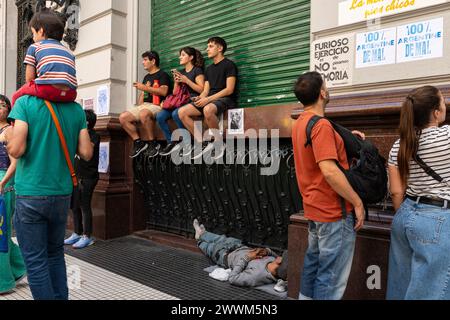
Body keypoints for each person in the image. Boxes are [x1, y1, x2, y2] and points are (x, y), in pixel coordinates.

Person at [5, 94, 93, 300]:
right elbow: (87, 152)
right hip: (61, 194)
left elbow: (17, 150)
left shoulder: (25, 103)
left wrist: (9, 139)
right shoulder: (75, 109)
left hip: (31, 193)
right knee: (55, 254)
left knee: (36, 261)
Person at [291, 71, 365, 300]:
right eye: (326, 85)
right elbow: (330, 171)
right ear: (322, 93)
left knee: (313, 266)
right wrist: (357, 202)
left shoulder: (301, 122)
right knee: (331, 277)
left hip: (314, 209)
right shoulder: (321, 126)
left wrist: (343, 138)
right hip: (334, 212)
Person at [387, 86, 450, 300]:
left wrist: (406, 216)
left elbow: (396, 192)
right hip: (438, 219)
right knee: (431, 291)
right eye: (443, 101)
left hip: (404, 216)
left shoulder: (399, 145)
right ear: (436, 112)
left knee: (400, 286)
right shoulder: (448, 136)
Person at [178, 37, 238, 160]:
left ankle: (219, 143)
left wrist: (208, 99)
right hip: (210, 99)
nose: (207, 49)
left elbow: (229, 89)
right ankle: (202, 143)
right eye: (207, 46)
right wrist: (200, 98)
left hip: (225, 99)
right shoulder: (209, 69)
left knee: (207, 109)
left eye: (211, 46)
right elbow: (206, 89)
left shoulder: (229, 65)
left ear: (220, 48)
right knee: (182, 112)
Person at [11, 9, 77, 108]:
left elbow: (29, 79)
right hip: (70, 94)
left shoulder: (35, 47)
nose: (33, 38)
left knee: (15, 97)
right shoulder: (68, 51)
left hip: (48, 90)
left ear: (41, 31)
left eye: (33, 33)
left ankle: (13, 122)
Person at [193, 219, 288, 287]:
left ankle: (199, 240)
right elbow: (272, 254)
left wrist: (247, 258)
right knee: (221, 238)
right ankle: (202, 233)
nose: (280, 255)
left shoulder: (257, 276)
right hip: (238, 247)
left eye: (282, 257)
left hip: (225, 256)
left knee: (210, 248)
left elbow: (233, 278)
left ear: (279, 263)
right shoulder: (274, 261)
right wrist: (267, 251)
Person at [119, 51, 170, 158]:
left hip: (157, 105)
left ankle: (153, 143)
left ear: (153, 61)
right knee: (123, 117)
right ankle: (138, 142)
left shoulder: (163, 75)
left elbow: (164, 92)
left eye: (145, 60)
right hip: (145, 105)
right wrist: (139, 103)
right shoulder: (146, 77)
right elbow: (143, 96)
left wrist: (144, 87)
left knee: (143, 114)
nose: (143, 62)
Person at [0, 95, 27, 295]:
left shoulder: (10, 131)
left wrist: (2, 183)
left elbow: (15, 163)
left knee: (1, 233)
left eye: (3, 105)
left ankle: (4, 282)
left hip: (5, 184)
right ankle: (21, 267)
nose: (0, 108)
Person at [157, 47, 205, 156]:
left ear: (191, 57)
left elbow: (201, 89)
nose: (180, 57)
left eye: (183, 55)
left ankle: (186, 143)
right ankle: (171, 142)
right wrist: (177, 82)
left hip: (191, 101)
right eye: (180, 55)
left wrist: (186, 80)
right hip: (179, 101)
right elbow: (175, 93)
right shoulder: (181, 72)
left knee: (175, 114)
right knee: (160, 116)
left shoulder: (197, 70)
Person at [64, 110, 100, 249]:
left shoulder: (93, 135)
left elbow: (87, 151)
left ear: (86, 122)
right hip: (76, 176)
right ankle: (77, 232)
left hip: (88, 177)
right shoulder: (77, 135)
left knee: (85, 206)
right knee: (74, 206)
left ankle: (87, 236)